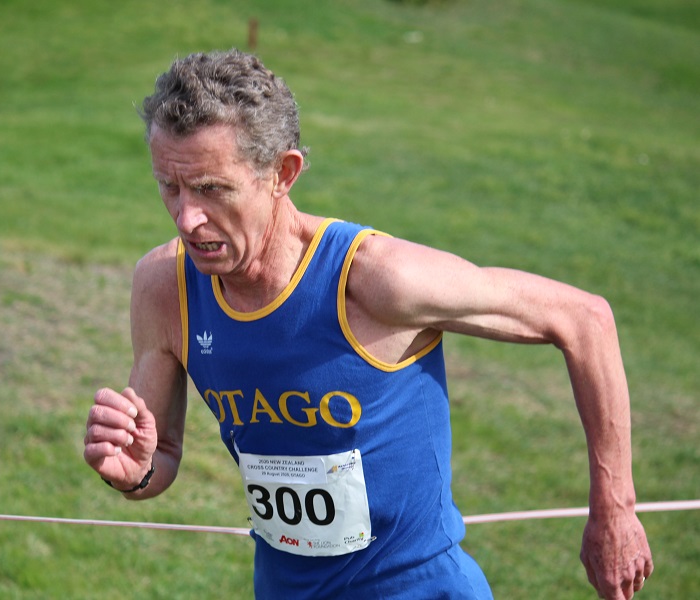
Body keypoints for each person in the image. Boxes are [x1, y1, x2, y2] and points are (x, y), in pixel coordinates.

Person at [83, 49, 653, 599]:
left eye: (212, 189)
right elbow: (160, 455)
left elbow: (585, 319)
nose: (187, 217)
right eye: (170, 186)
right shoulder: (166, 287)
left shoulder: (376, 280)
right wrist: (135, 470)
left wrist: (616, 509)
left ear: (282, 173)